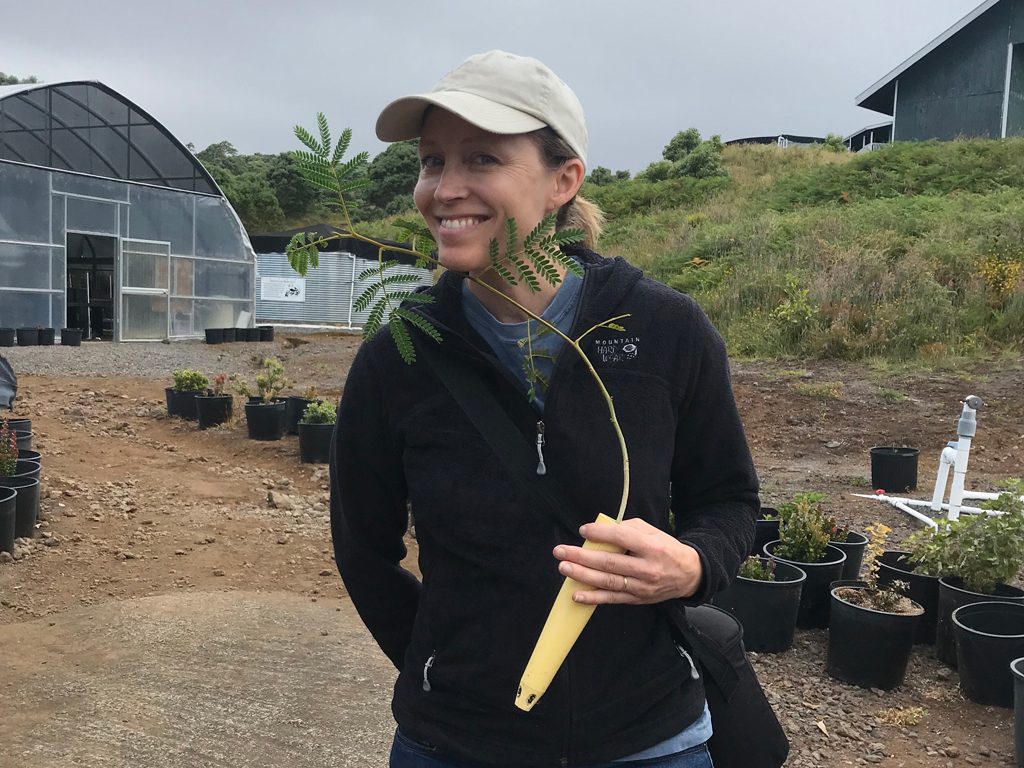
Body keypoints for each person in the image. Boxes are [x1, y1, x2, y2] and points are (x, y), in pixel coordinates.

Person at [331, 50, 759, 768]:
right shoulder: (398, 356)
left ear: (564, 180)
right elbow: (362, 547)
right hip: (455, 745)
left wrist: (692, 566)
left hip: (648, 737)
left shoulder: (662, 330)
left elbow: (729, 499)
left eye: (482, 159)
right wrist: (441, 669)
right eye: (432, 161)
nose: (445, 187)